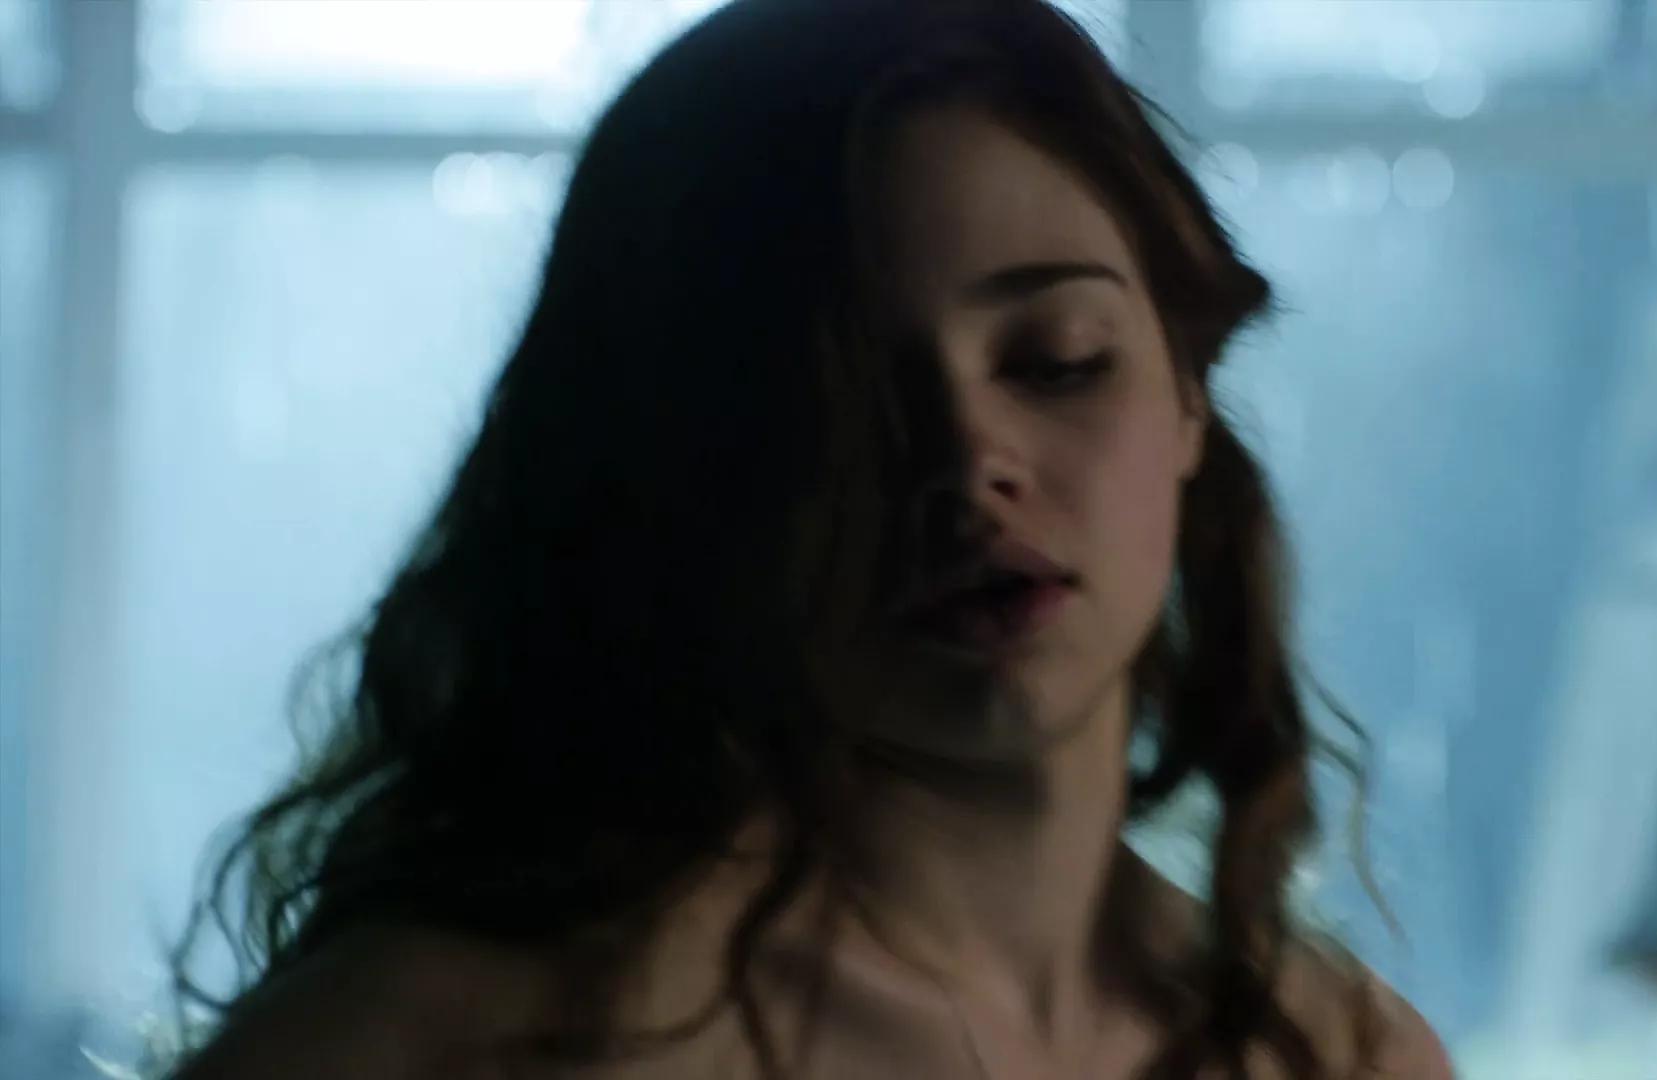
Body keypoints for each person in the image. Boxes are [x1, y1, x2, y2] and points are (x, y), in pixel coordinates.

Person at [165, 1, 1451, 1077]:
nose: (969, 463)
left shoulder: (1342, 1056)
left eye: (1056, 359)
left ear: (1186, 394)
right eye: (834, 400)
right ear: (681, 463)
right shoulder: (446, 1041)